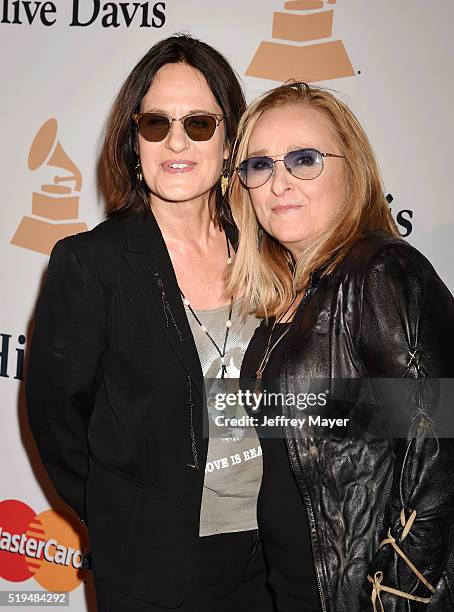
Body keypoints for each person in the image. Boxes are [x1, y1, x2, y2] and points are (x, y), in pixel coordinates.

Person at [26, 35, 273, 612]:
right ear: (133, 141)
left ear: (231, 138)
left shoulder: (270, 250)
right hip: (152, 560)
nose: (177, 142)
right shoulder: (92, 262)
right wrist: (117, 509)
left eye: (200, 124)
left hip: (275, 552)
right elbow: (54, 414)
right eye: (156, 124)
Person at [227, 81, 454, 611]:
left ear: (351, 167)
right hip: (296, 592)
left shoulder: (380, 270)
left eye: (303, 159)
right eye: (259, 165)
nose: (278, 182)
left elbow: (441, 449)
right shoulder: (295, 296)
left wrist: (395, 593)